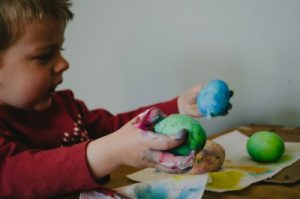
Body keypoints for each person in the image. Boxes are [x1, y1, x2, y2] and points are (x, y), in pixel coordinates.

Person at [0, 0, 232, 198]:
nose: (63, 64)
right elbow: (13, 174)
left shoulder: (67, 108)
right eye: (44, 56)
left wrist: (177, 107)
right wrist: (111, 151)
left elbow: (118, 130)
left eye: (62, 50)